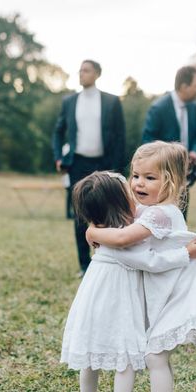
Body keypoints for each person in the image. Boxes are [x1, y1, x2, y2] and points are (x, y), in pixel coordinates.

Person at [87, 142, 196, 392]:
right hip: (162, 294)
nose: (138, 183)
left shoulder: (161, 215)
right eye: (135, 176)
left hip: (175, 295)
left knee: (154, 355)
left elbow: (124, 239)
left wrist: (93, 233)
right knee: (155, 354)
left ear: (172, 182)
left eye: (150, 178)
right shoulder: (150, 210)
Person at [61, 170, 196, 392]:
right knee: (125, 354)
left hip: (93, 297)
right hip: (117, 300)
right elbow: (151, 261)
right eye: (129, 191)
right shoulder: (122, 241)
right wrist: (185, 254)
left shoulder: (102, 233)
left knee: (92, 355)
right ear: (119, 204)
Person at [52, 59, 126, 277]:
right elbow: (58, 131)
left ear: (97, 74)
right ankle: (85, 265)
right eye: (80, 70)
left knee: (109, 212)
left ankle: (108, 259)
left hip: (104, 163)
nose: (81, 74)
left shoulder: (112, 102)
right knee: (80, 214)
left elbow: (120, 136)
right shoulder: (69, 102)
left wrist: (118, 169)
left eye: (86, 70)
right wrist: (58, 157)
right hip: (78, 163)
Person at [141, 66, 196, 215]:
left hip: (185, 174)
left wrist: (194, 151)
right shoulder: (158, 108)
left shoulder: (194, 107)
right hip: (164, 175)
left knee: (182, 216)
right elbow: (148, 142)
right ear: (184, 86)